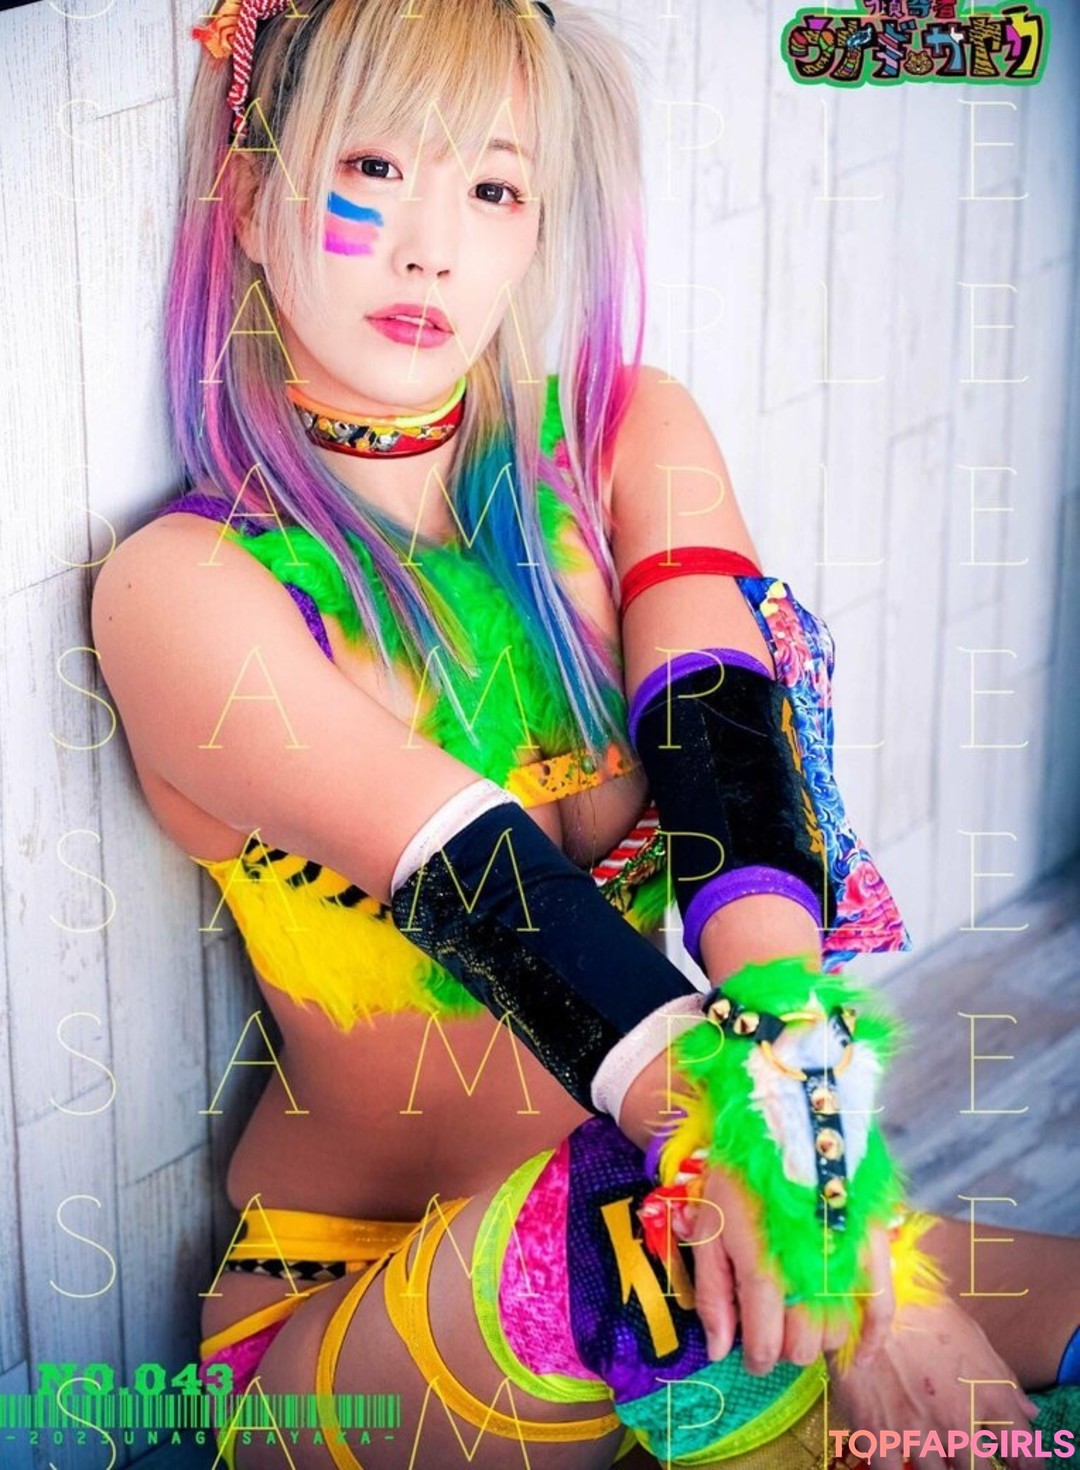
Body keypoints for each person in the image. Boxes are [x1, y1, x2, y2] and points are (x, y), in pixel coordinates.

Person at [90, 2, 1079, 1467]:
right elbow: (485, 881)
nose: (433, 248)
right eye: (374, 168)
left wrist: (826, 1191)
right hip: (380, 1328)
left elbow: (730, 775)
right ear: (247, 198)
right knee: (632, 1242)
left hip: (713, 1207)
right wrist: (837, 1247)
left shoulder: (626, 439)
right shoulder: (182, 585)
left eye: (494, 187)